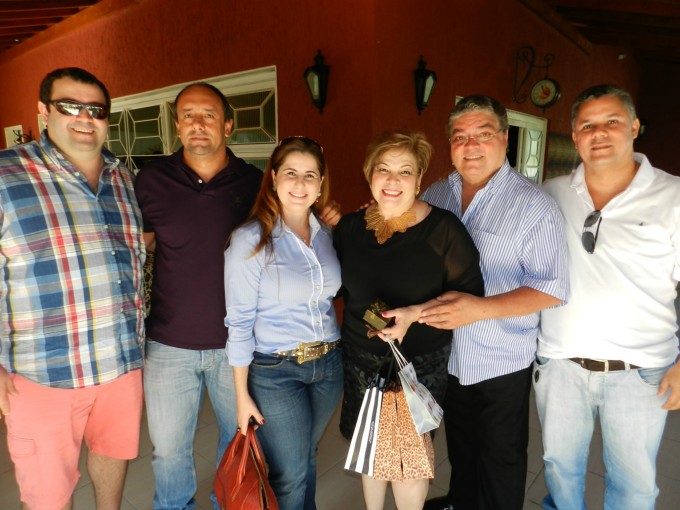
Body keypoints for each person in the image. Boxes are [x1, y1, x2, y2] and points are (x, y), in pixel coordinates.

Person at [135, 83, 341, 510]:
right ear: (176, 124)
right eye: (188, 115)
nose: (197, 123)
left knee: (239, 447)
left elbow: (291, 219)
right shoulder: (151, 180)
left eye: (208, 114)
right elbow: (141, 249)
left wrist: (324, 216)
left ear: (228, 125)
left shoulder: (251, 183)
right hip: (170, 341)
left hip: (242, 348)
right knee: (169, 451)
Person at [0, 67, 145, 510]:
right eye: (70, 106)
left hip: (120, 363)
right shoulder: (6, 175)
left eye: (96, 110)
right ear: (43, 112)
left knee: (113, 457)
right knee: (48, 496)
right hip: (43, 374)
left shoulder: (123, 179)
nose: (85, 117)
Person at [534, 84, 680, 509]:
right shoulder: (551, 192)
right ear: (574, 136)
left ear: (634, 127)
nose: (599, 133)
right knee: (560, 469)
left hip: (642, 371)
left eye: (611, 122)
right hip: (561, 365)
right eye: (587, 125)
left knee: (634, 485)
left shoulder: (673, 196)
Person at [419, 95, 569, 510]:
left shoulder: (534, 206)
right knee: (462, 449)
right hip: (446, 354)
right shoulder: (435, 194)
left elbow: (552, 288)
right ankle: (461, 501)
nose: (470, 146)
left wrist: (478, 309)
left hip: (500, 358)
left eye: (482, 134)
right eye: (459, 137)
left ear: (504, 138)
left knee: (500, 459)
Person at [334, 130, 485, 510]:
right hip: (362, 361)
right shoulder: (350, 229)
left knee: (409, 464)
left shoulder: (443, 230)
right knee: (370, 449)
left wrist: (415, 314)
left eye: (405, 171)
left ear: (419, 180)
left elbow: (469, 298)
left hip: (416, 365)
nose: (393, 180)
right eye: (383, 169)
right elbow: (334, 287)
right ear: (370, 175)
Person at [224, 136, 343, 510]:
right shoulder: (250, 240)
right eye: (291, 173)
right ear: (273, 177)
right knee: (289, 473)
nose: (300, 183)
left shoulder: (327, 235)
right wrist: (241, 396)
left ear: (320, 184)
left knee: (306, 456)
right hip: (277, 371)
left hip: (329, 366)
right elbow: (239, 323)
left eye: (310, 175)